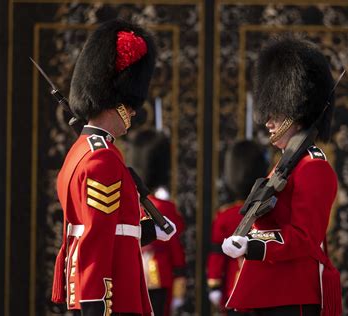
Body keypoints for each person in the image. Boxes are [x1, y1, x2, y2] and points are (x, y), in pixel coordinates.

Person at [51, 19, 177, 316]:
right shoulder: (102, 158)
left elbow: (114, 229)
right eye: (131, 105)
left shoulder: (81, 151)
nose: (133, 112)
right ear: (117, 102)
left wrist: (149, 231)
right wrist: (98, 304)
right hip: (112, 297)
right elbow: (97, 237)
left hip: (99, 290)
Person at [221, 37, 341, 316]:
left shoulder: (314, 167)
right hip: (268, 290)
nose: (268, 121)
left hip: (291, 293)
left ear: (295, 111)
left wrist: (253, 245)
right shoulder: (285, 164)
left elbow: (303, 238)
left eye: (275, 113)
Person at [128, 128, 187, 316]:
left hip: (131, 271)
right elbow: (175, 245)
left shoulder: (127, 204)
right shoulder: (164, 206)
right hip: (159, 273)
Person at [207, 140, 268, 315]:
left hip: (234, 287)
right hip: (263, 288)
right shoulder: (267, 213)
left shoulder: (225, 215)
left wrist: (214, 284)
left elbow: (216, 257)